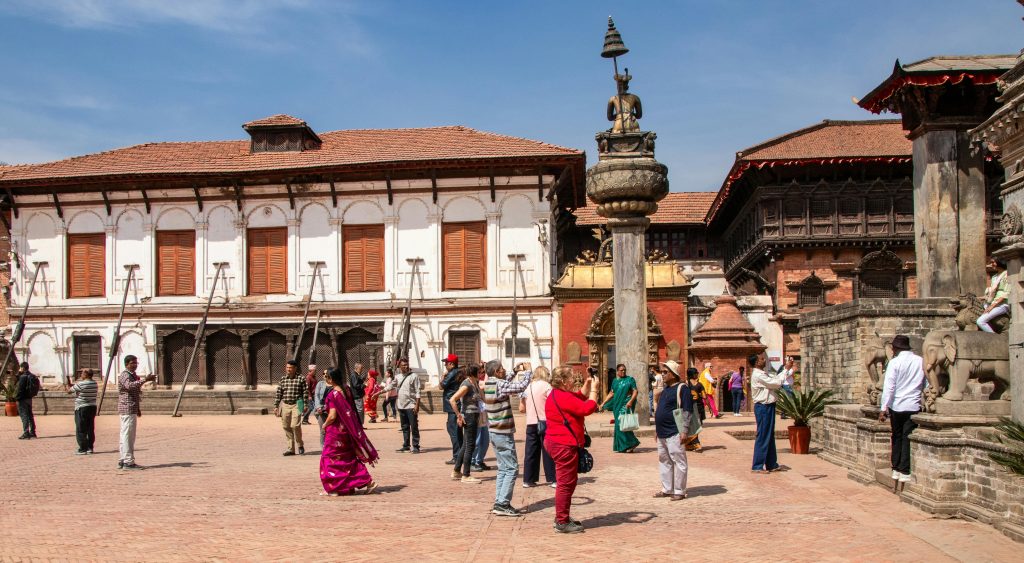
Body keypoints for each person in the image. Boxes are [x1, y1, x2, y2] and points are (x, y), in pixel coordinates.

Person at [545, 366, 599, 534]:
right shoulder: (562, 396)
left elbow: (578, 397)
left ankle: (563, 517)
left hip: (558, 442)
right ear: (562, 381)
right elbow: (586, 408)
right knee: (565, 484)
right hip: (563, 445)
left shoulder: (559, 394)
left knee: (569, 481)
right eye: (570, 378)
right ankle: (561, 521)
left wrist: (588, 384)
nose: (573, 381)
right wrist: (595, 391)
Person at [483, 360, 532, 517]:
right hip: (503, 432)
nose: (504, 371)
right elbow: (520, 386)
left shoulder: (489, 382)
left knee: (503, 467)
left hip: (494, 431)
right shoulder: (500, 385)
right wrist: (528, 372)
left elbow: (505, 381)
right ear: (497, 372)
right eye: (502, 369)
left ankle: (499, 501)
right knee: (511, 468)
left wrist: (514, 371)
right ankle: (503, 503)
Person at [878, 335, 926, 491]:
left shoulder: (894, 363)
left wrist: (883, 408)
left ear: (896, 349)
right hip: (913, 404)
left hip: (897, 405)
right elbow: (925, 383)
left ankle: (897, 468)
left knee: (897, 436)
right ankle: (904, 470)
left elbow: (889, 387)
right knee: (907, 437)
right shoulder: (920, 361)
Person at [320, 368, 379, 496]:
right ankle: (367, 482)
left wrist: (324, 425)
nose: (325, 379)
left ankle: (334, 488)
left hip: (335, 433)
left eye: (326, 377)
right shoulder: (346, 390)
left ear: (331, 379)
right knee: (349, 460)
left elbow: (332, 416)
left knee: (329, 459)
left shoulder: (332, 395)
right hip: (347, 431)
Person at [653, 361, 693, 500]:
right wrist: (657, 430)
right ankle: (667, 488)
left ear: (673, 374)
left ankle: (680, 490)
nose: (662, 374)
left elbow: (687, 410)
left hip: (675, 430)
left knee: (678, 460)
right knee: (664, 460)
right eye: (662, 372)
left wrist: (684, 431)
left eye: (665, 372)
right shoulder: (665, 390)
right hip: (662, 431)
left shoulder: (683, 389)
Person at [750, 353, 786, 473]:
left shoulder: (763, 374)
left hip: (768, 406)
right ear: (756, 362)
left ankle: (771, 463)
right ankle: (757, 465)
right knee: (763, 435)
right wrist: (786, 370)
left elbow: (775, 379)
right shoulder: (758, 375)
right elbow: (775, 383)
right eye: (761, 359)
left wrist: (787, 370)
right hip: (763, 407)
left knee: (769, 435)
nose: (764, 360)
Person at [117, 355, 156, 470]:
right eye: (132, 363)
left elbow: (135, 391)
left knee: (126, 435)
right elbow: (129, 386)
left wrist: (138, 408)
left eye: (136, 363)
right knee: (128, 435)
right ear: (127, 364)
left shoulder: (132, 375)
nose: (135, 365)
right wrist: (145, 380)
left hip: (131, 407)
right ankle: (128, 461)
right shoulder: (125, 375)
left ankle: (123, 459)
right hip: (127, 407)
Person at [522, 366, 555, 488]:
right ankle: (552, 478)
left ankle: (528, 479)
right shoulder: (546, 386)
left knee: (530, 452)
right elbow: (553, 402)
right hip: (545, 421)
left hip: (530, 422)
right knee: (548, 451)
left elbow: (522, 407)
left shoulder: (528, 386)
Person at [449, 365, 483, 484]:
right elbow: (452, 399)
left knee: (465, 445)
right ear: (475, 373)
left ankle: (457, 470)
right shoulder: (466, 385)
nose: (481, 374)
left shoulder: (474, 383)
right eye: (479, 372)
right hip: (469, 416)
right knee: (470, 446)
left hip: (474, 415)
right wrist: (458, 415)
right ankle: (466, 474)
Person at [598, 363, 640, 453]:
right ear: (617, 371)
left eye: (624, 370)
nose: (623, 371)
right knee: (620, 425)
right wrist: (603, 403)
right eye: (621, 370)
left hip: (626, 404)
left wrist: (630, 401)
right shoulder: (615, 381)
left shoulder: (630, 380)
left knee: (621, 423)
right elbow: (611, 393)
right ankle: (623, 446)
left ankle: (633, 442)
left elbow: (635, 392)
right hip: (617, 405)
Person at [274, 360, 306, 457]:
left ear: (295, 368)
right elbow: (279, 393)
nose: (288, 369)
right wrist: (276, 406)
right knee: (286, 426)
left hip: (297, 404)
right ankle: (290, 449)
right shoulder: (283, 379)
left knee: (295, 426)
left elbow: (305, 392)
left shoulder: (301, 378)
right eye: (287, 367)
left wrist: (305, 404)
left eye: (290, 368)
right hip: (285, 405)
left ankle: (300, 444)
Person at [67, 368, 98, 454]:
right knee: (90, 428)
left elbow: (69, 391)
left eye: (82, 373)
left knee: (80, 428)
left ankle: (83, 448)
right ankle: (90, 447)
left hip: (81, 407)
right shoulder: (94, 383)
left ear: (86, 375)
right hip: (92, 407)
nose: (81, 375)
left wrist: (68, 386)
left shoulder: (81, 384)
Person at [440, 353, 464, 465]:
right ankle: (461, 455)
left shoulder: (451, 373)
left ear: (451, 364)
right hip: (456, 405)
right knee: (457, 432)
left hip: (452, 405)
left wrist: (443, 376)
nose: (445, 365)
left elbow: (441, 386)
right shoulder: (458, 372)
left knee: (453, 431)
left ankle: (457, 456)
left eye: (446, 363)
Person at [394, 358, 421, 453]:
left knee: (414, 426)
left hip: (411, 405)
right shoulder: (397, 377)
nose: (406, 366)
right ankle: (406, 445)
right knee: (405, 427)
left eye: (407, 364)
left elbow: (418, 391)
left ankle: (416, 446)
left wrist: (417, 405)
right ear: (399, 367)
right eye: (403, 365)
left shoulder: (414, 376)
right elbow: (390, 386)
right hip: (401, 406)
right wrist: (379, 392)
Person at [978, 258, 1010, 332]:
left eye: (993, 262)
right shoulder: (994, 277)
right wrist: (979, 298)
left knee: (980, 321)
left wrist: (992, 306)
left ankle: (994, 338)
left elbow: (1006, 294)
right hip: (992, 302)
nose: (991, 264)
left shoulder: (1007, 274)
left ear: (1000, 262)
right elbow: (991, 294)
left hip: (1002, 304)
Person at [472, 363, 491, 472]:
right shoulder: (475, 384)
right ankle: (473, 460)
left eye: (483, 372)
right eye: (480, 372)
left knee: (485, 440)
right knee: (477, 440)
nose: (481, 374)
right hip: (477, 416)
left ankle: (480, 460)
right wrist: (488, 372)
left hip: (485, 415)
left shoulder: (481, 383)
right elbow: (484, 384)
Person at [14, 361, 39, 439]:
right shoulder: (32, 376)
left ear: (22, 368)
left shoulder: (23, 377)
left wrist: (17, 398)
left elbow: (20, 389)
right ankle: (33, 432)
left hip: (22, 399)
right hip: (29, 398)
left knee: (24, 415)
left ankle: (26, 432)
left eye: (20, 367)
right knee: (30, 415)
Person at [685, 369, 706, 452]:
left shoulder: (688, 384)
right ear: (692, 374)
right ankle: (695, 444)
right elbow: (704, 396)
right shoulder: (688, 385)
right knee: (693, 425)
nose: (697, 374)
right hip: (692, 408)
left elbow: (704, 396)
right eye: (696, 373)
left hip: (696, 408)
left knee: (696, 425)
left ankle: (692, 444)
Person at [313, 368, 330, 447]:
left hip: (331, 411)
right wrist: (318, 407)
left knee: (331, 430)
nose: (325, 376)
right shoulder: (320, 384)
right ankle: (323, 447)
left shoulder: (334, 385)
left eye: (327, 374)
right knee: (323, 430)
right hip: (321, 411)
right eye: (324, 374)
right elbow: (316, 396)